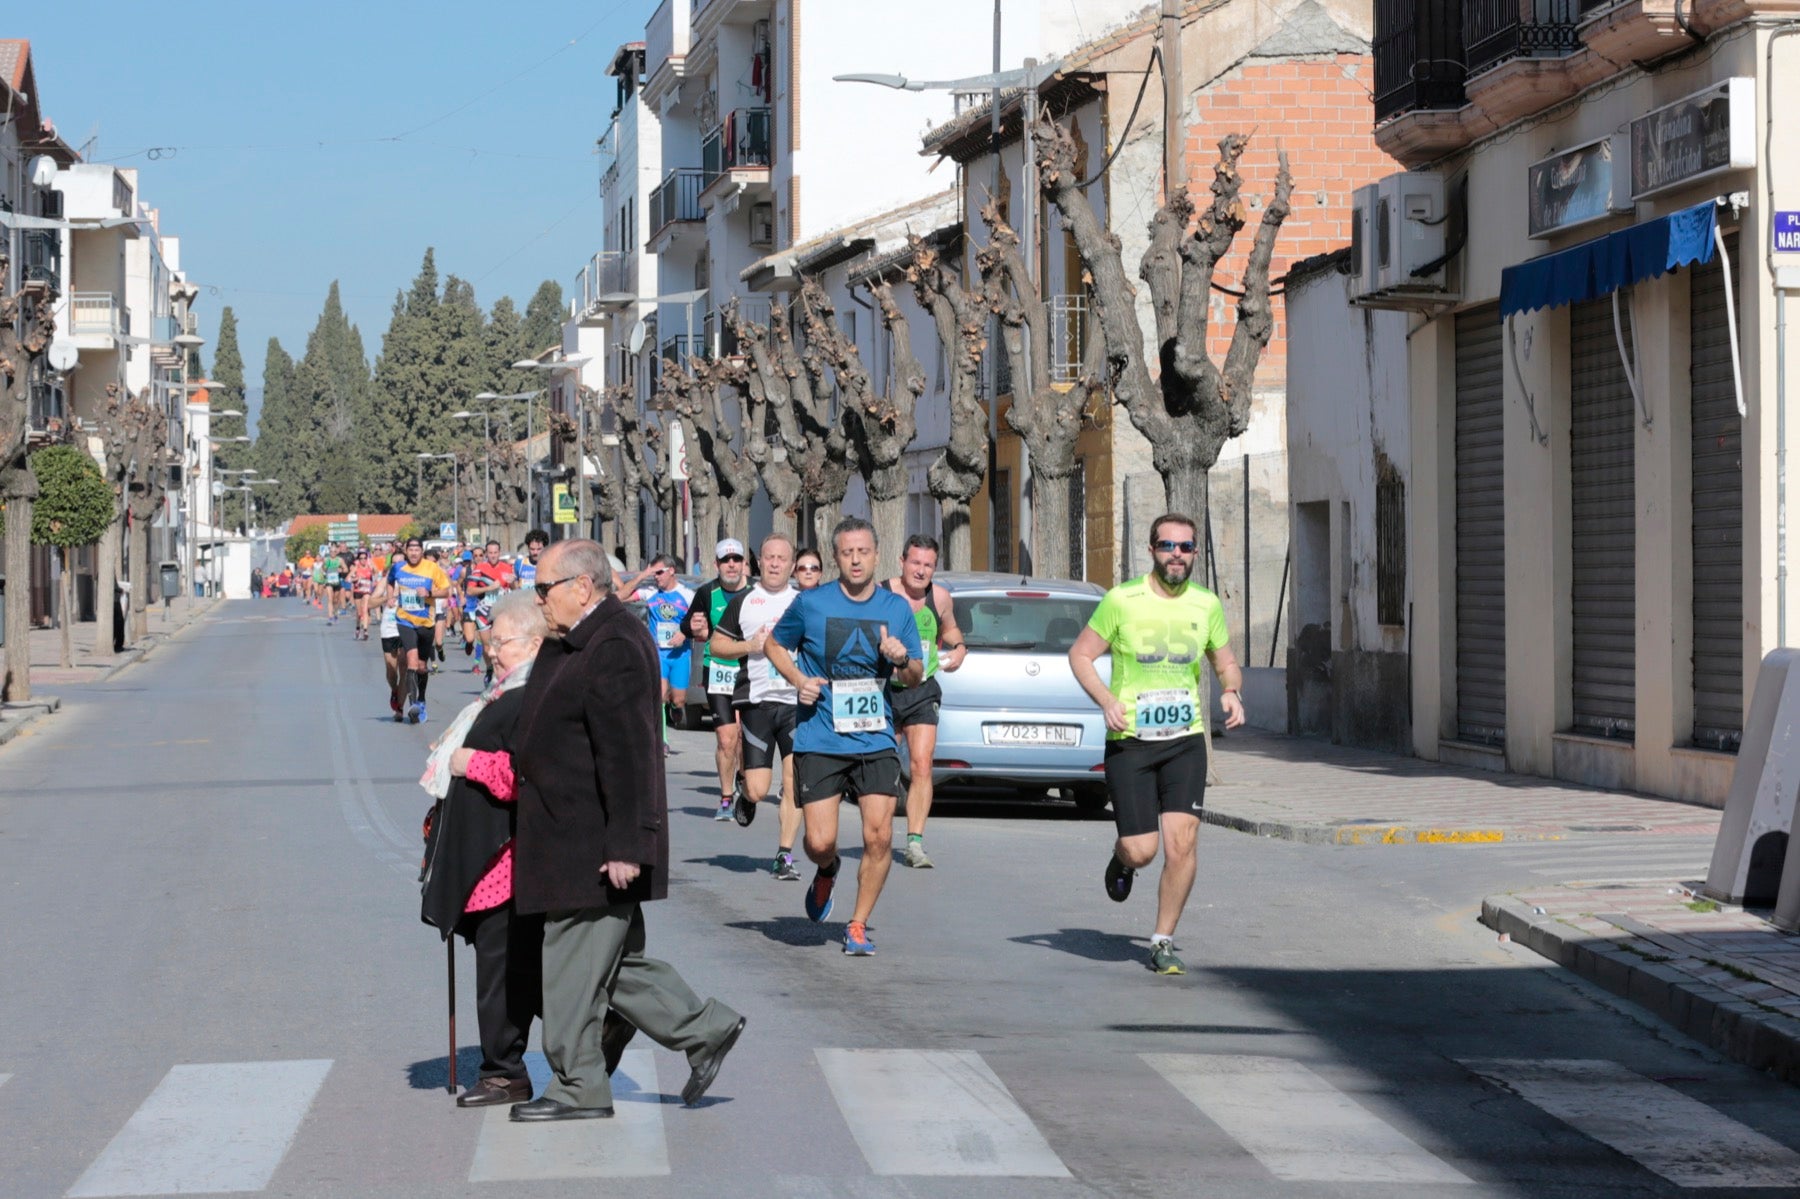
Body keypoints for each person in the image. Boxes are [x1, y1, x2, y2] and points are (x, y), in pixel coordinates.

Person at [507, 539, 745, 1122]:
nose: (538, 601)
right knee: (612, 968)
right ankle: (704, 1028)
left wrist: (627, 845)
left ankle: (576, 1085)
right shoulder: (576, 637)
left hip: (590, 845)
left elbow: (630, 754)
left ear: (581, 587)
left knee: (568, 968)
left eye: (544, 589)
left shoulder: (612, 643)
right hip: (567, 837)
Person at [1067, 513, 1246, 977]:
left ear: (1194, 554)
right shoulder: (1121, 600)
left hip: (1185, 740)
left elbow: (1225, 662)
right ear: (1152, 550)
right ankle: (1121, 858)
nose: (1177, 555)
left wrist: (1230, 689)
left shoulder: (1206, 605)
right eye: (1168, 546)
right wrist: (1105, 700)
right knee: (1143, 849)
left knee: (1182, 844)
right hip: (1131, 742)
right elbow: (1080, 654)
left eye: (1186, 548)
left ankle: (1163, 940)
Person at [764, 517, 923, 956]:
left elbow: (915, 676)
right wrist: (798, 678)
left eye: (863, 552)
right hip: (820, 735)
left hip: (875, 739)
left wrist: (901, 656)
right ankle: (827, 869)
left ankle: (857, 924)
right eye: (847, 552)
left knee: (879, 837)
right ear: (836, 557)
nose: (856, 559)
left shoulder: (895, 609)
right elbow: (774, 645)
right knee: (818, 842)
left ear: (877, 556)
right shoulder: (811, 604)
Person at [419, 592, 547, 1107]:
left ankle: (503, 1072)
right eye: (491, 641)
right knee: (514, 970)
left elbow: (525, 775)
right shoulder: (506, 690)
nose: (492, 650)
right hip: (491, 855)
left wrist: (467, 762)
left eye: (502, 642)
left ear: (535, 643)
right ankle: (519, 1061)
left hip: (508, 858)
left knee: (503, 973)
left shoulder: (531, 694)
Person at [709, 534, 804, 880]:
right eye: (770, 557)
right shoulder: (745, 602)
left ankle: (784, 855)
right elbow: (717, 645)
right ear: (759, 563)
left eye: (782, 558)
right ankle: (745, 792)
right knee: (761, 788)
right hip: (756, 703)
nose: (776, 563)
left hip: (795, 703)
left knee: (795, 781)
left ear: (792, 565)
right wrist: (750, 644)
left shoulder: (803, 602)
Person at [881, 534, 967, 869]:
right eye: (915, 563)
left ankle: (915, 842)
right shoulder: (881, 594)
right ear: (902, 561)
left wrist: (959, 649)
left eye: (928, 565)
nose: (920, 571)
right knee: (883, 767)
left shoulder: (940, 597)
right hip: (884, 688)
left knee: (921, 764)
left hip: (922, 689)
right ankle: (880, 833)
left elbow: (952, 631)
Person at [685, 539, 753, 821]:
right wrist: (693, 627)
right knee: (727, 738)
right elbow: (687, 624)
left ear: (744, 564)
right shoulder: (706, 592)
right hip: (718, 671)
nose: (732, 565)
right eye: (726, 560)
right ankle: (726, 797)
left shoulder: (755, 593)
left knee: (744, 738)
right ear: (717, 565)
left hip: (750, 672)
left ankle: (742, 779)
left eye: (737, 559)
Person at [388, 538, 452, 723]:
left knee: (423, 667)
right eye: (411, 549)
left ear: (422, 552)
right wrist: (390, 596)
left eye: (417, 549)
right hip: (405, 620)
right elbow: (390, 581)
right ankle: (413, 705)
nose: (414, 553)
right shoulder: (398, 567)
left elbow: (446, 591)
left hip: (426, 622)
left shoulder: (431, 568)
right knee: (412, 661)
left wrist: (429, 593)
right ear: (406, 551)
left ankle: (421, 699)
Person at [639, 555, 695, 720]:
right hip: (658, 653)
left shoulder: (687, 595)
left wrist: (685, 633)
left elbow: (701, 621)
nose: (656, 576)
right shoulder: (651, 593)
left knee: (679, 700)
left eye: (659, 572)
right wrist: (643, 575)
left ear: (671, 571)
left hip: (680, 654)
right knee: (659, 696)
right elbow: (621, 596)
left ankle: (673, 703)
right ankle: (661, 740)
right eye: (654, 574)